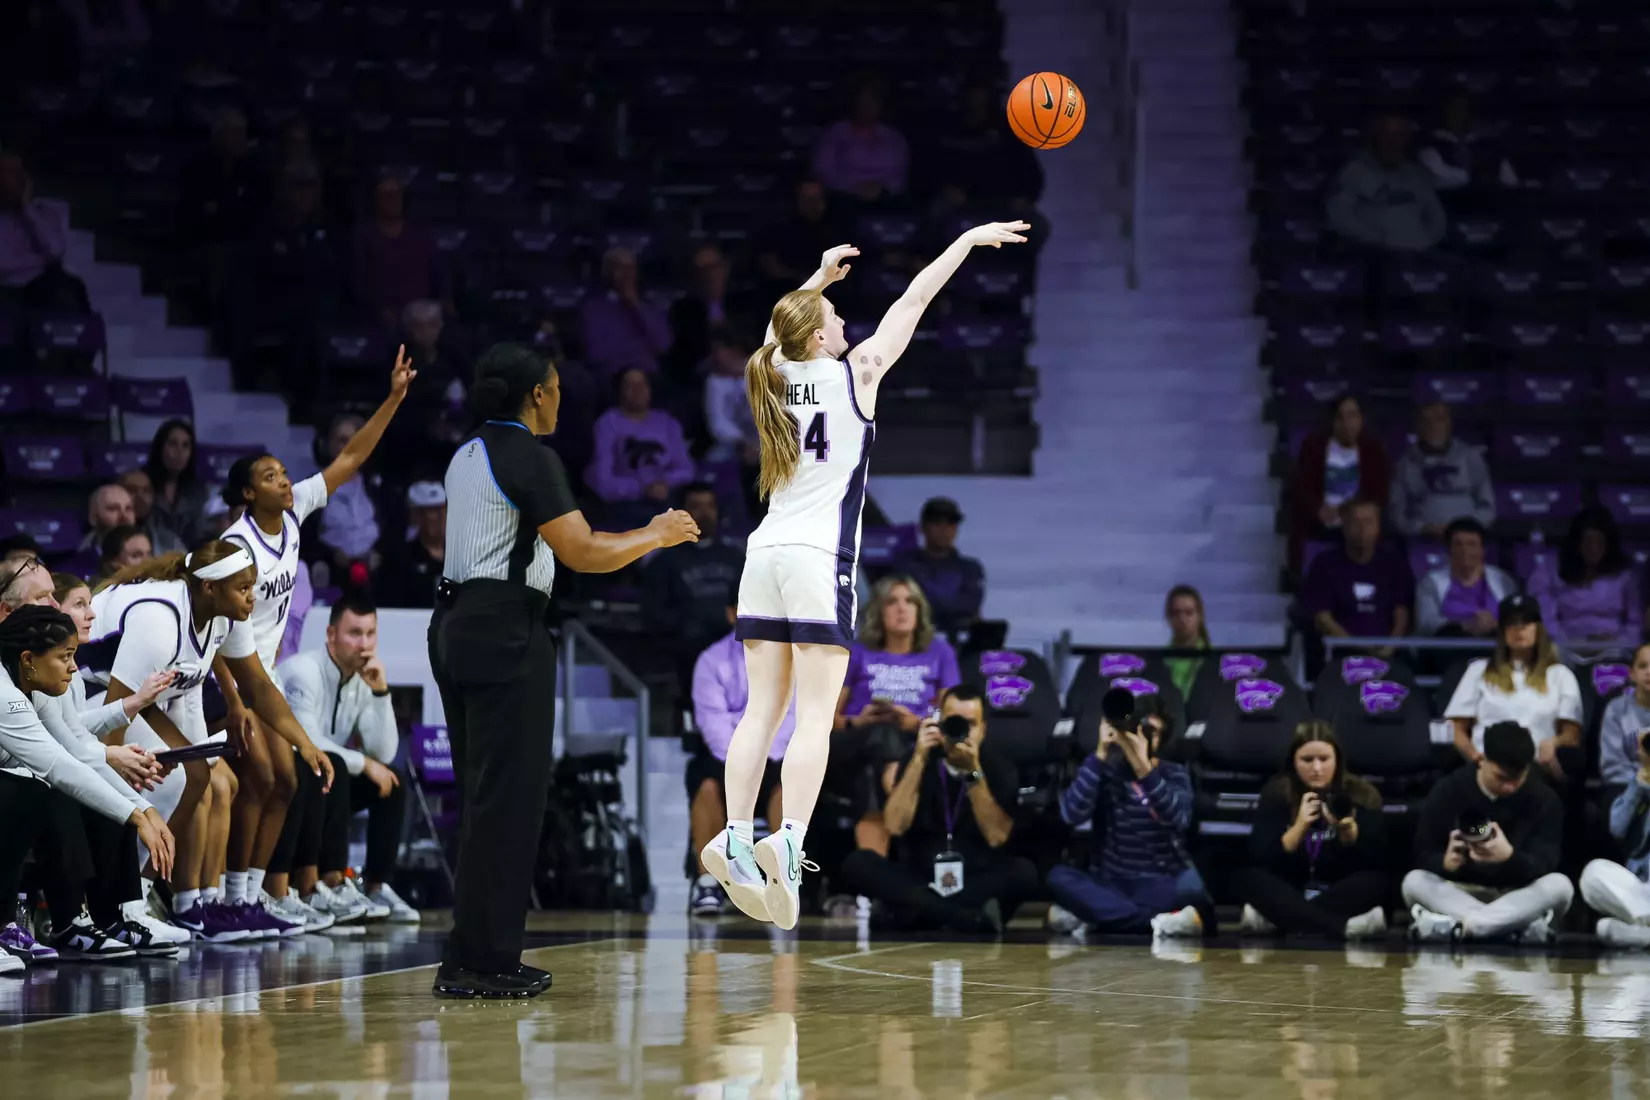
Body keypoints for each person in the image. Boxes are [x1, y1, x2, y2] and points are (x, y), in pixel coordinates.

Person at [701, 221, 1031, 930]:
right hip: (820, 562)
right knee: (813, 717)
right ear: (819, 337)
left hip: (762, 556)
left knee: (762, 713)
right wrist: (966, 243)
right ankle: (787, 846)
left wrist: (816, 280)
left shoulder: (772, 372)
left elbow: (773, 329)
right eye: (834, 316)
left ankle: (734, 836)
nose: (847, 320)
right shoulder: (859, 373)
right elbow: (916, 299)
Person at [428, 343, 698, 998]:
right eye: (554, 387)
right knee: (512, 800)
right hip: (505, 629)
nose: (559, 398)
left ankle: (471, 953)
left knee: (482, 798)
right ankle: (486, 961)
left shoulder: (465, 453)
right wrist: (655, 534)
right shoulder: (530, 455)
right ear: (539, 395)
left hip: (454, 623)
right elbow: (581, 550)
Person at [212, 348, 409, 937]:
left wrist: (394, 397)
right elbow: (218, 634)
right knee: (276, 779)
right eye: (270, 476)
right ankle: (233, 895)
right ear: (249, 495)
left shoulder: (294, 513)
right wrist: (238, 703)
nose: (283, 479)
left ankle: (251, 897)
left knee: (285, 780)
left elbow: (350, 456)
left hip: (262, 674)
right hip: (227, 676)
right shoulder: (234, 547)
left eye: (282, 473)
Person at [83, 542, 337, 942]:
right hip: (86, 695)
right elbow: (116, 706)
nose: (252, 596)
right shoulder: (160, 619)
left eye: (253, 586)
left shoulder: (221, 617)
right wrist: (114, 765)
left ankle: (144, 898)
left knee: (199, 774)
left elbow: (256, 685)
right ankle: (115, 903)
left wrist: (303, 743)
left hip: (142, 699)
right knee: (170, 779)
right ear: (209, 589)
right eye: (243, 588)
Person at [0, 605, 175, 968]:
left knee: (49, 791)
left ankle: (101, 917)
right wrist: (136, 816)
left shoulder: (36, 685)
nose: (74, 667)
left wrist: (144, 810)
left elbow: (80, 752)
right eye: (65, 656)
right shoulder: (3, 691)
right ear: (29, 658)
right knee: (31, 792)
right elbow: (56, 764)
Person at [33, 573, 189, 957]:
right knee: (80, 793)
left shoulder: (67, 672)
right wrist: (114, 763)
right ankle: (70, 921)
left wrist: (132, 705)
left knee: (110, 790)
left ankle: (117, 917)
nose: (91, 614)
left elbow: (71, 730)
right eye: (78, 604)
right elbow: (62, 749)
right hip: (32, 779)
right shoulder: (36, 667)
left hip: (52, 765)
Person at [837, 686, 1037, 934]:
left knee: (1024, 872)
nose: (960, 732)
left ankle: (923, 913)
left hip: (972, 881)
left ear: (984, 728)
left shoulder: (998, 767)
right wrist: (919, 759)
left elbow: (996, 836)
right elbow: (895, 825)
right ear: (939, 722)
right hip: (921, 878)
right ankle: (964, 919)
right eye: (953, 723)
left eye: (970, 725)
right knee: (858, 863)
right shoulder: (918, 758)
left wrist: (973, 773)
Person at [278, 596, 418, 923]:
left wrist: (381, 692)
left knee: (391, 783)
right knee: (337, 767)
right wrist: (363, 764)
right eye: (354, 633)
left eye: (371, 634)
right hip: (293, 782)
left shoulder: (363, 679)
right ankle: (331, 882)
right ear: (331, 635)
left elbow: (383, 753)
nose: (364, 644)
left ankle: (376, 886)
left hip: (327, 785)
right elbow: (307, 741)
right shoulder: (303, 671)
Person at [1045, 694, 1207, 938]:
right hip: (1111, 880)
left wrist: (1144, 769)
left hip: (1160, 881)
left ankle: (1099, 917)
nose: (1142, 735)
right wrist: (1100, 753)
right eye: (1138, 727)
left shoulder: (1174, 774)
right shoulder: (1106, 771)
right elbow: (1071, 814)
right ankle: (1153, 923)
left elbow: (1178, 818)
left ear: (1163, 737)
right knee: (1058, 877)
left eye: (1151, 730)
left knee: (1193, 886)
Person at [1403, 721, 1574, 942]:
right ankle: (1508, 930)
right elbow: (1423, 853)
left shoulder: (1544, 799)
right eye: (1501, 778)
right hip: (1462, 891)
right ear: (1482, 759)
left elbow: (1545, 864)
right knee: (1414, 881)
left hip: (1517, 897)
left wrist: (1510, 858)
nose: (1510, 787)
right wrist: (1445, 864)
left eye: (1517, 779)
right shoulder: (1449, 790)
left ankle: (1471, 927)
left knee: (1560, 886)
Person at [688, 591, 796, 916]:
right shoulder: (711, 660)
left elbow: (792, 717)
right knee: (704, 780)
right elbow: (713, 726)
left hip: (772, 755)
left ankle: (783, 882)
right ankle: (708, 885)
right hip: (728, 758)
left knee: (786, 782)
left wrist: (764, 754)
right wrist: (745, 758)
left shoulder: (790, 661)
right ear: (732, 614)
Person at [1230, 721, 1390, 939]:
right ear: (1293, 762)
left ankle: (1280, 921)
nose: (1316, 769)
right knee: (1247, 878)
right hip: (1291, 887)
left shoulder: (1362, 794)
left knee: (1377, 882)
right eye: (1307, 760)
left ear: (1337, 760)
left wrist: (1350, 836)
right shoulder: (1276, 793)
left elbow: (1374, 862)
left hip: (1337, 888)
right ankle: (1345, 928)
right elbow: (1262, 857)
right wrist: (1299, 827)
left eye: (1324, 759)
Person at [1445, 594, 1582, 774]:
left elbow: (1572, 736)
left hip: (1536, 768)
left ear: (1538, 629)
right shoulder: (1478, 670)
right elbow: (1455, 728)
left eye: (1526, 622)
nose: (1519, 629)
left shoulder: (1560, 675)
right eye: (1511, 623)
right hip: (1485, 767)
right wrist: (1476, 759)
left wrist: (1554, 742)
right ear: (1502, 631)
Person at [642, 483, 746, 683]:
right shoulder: (663, 561)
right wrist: (693, 621)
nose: (705, 513)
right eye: (696, 506)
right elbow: (654, 614)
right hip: (684, 649)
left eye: (710, 506)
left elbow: (747, 604)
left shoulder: (734, 557)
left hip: (731, 647)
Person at [584, 367, 698, 526]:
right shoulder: (608, 423)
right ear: (620, 392)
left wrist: (664, 484)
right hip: (625, 504)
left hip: (667, 499)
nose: (638, 390)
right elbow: (602, 480)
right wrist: (642, 489)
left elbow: (686, 469)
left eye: (642, 384)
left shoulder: (667, 422)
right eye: (630, 385)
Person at [1288, 395, 1390, 572]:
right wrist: (1318, 509)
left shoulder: (1373, 449)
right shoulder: (1314, 446)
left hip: (1359, 521)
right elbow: (1302, 487)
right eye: (1340, 417)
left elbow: (1378, 492)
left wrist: (1351, 512)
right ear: (1332, 422)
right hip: (1322, 521)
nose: (1346, 423)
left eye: (1352, 416)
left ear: (1361, 419)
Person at [1300, 497, 1414, 650]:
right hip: (1339, 651)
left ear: (1379, 526)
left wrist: (1389, 647)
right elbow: (1322, 618)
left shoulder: (1394, 563)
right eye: (1356, 523)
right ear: (1344, 526)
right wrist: (1356, 647)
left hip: (1388, 651)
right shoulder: (1325, 563)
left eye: (1369, 523)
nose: (1362, 529)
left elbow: (1401, 612)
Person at [1325, 114, 1448, 253]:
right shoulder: (1353, 173)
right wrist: (1377, 239)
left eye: (1399, 135)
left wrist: (1426, 240)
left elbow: (1437, 217)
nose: (1393, 141)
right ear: (1375, 138)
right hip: (1375, 253)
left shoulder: (1417, 174)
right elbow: (1339, 216)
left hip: (1420, 252)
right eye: (1386, 135)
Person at [1529, 507, 1642, 648]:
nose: (1593, 548)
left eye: (1600, 542)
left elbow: (1634, 623)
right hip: (1564, 647)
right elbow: (1543, 615)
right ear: (1577, 543)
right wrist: (1563, 642)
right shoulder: (1551, 567)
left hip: (1615, 649)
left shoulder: (1626, 573)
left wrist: (1621, 644)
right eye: (1588, 541)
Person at [1579, 732, 1650, 948]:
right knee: (1593, 872)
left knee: (1607, 928)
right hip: (1643, 889)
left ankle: (1638, 934)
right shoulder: (1641, 783)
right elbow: (1617, 827)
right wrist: (1640, 782)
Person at [1390, 401, 1496, 540]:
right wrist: (1421, 528)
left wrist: (1468, 527)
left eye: (1440, 420)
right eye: (1427, 421)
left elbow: (1487, 506)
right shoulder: (1404, 464)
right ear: (1418, 426)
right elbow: (1397, 513)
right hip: (1423, 539)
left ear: (1449, 423)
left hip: (1467, 538)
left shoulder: (1471, 458)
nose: (1434, 426)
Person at [0, 152, 87, 313]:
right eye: (6, 173)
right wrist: (38, 260)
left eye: (16, 174)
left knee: (69, 291)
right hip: (5, 288)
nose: (11, 181)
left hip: (40, 285)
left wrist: (27, 209)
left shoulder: (45, 213)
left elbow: (55, 250)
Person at [351, 175, 437, 331]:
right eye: (385, 195)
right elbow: (358, 281)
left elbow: (435, 271)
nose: (392, 200)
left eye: (396, 194)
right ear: (375, 200)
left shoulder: (419, 233)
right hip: (379, 312)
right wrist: (378, 308)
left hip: (420, 311)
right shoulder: (364, 235)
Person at [892, 497, 985, 636]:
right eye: (937, 523)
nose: (944, 530)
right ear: (923, 527)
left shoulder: (970, 568)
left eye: (950, 523)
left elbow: (970, 605)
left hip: (960, 643)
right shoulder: (904, 565)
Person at [1414, 517, 1519, 638]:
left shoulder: (1503, 580)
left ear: (1482, 549)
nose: (1465, 550)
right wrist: (1465, 625)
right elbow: (1425, 623)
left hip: (1494, 644)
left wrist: (1495, 624)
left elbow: (1516, 619)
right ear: (1448, 549)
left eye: (1471, 544)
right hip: (1449, 647)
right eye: (1458, 544)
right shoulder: (1430, 582)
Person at [312, 412, 386, 580]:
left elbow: (390, 532)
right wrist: (330, 555)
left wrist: (378, 553)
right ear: (329, 444)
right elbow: (305, 538)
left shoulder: (376, 488)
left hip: (373, 572)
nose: (345, 447)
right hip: (332, 570)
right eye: (341, 440)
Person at [579, 246, 672, 376]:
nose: (626, 274)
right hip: (613, 376)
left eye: (631, 268)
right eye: (620, 268)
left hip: (647, 376)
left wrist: (635, 304)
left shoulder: (648, 306)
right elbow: (597, 353)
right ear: (608, 273)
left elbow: (663, 344)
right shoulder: (594, 308)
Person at [811, 81, 910, 202]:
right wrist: (854, 189)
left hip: (886, 196)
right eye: (863, 101)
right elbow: (823, 171)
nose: (867, 106)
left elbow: (900, 175)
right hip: (844, 196)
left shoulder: (894, 137)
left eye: (872, 101)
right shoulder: (835, 133)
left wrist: (882, 189)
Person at [375, 480, 446, 609]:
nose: (441, 516)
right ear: (417, 516)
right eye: (433, 511)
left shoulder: (461, 556)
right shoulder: (402, 558)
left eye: (443, 508)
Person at [143, 418, 210, 548]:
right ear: (160, 447)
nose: (179, 452)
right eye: (173, 444)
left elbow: (199, 536)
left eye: (185, 446)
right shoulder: (143, 485)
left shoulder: (198, 492)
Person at [116, 468, 186, 555]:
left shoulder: (171, 543)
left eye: (146, 491)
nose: (140, 496)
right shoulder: (99, 541)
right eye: (132, 490)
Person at [1163, 585, 1210, 701]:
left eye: (1189, 613)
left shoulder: (1213, 660)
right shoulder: (1160, 661)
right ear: (1168, 617)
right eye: (1176, 613)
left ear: (1199, 616)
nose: (1182, 619)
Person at [78, 483, 136, 554]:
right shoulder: (76, 563)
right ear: (93, 518)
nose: (124, 516)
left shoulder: (148, 562)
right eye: (113, 509)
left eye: (128, 509)